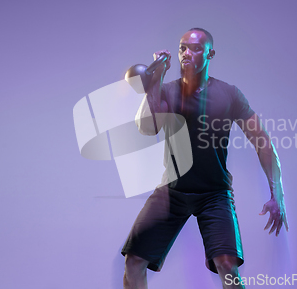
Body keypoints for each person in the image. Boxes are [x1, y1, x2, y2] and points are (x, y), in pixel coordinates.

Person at [121, 28, 288, 289]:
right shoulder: (166, 91)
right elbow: (147, 127)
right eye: (182, 48)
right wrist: (153, 83)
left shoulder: (229, 95)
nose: (187, 53)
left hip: (214, 194)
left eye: (195, 48)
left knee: (227, 266)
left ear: (210, 54)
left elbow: (263, 142)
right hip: (172, 193)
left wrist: (277, 194)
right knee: (133, 262)